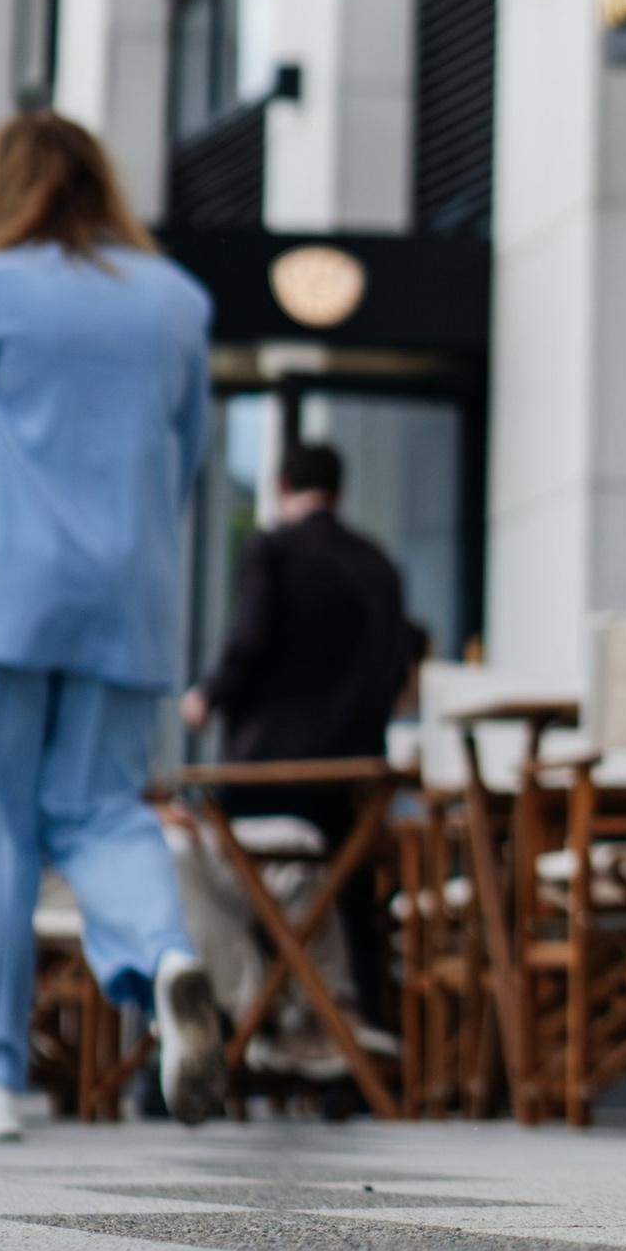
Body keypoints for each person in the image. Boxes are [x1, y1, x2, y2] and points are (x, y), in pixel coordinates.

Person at [0, 109, 227, 1146]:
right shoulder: (177, 302)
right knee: (99, 810)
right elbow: (185, 465)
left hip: (6, 591)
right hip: (128, 593)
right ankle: (164, 954)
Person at [170, 435, 413, 1061]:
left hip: (271, 774)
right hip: (356, 776)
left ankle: (260, 1025)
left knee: (220, 873)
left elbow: (249, 641)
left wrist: (207, 697)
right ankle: (343, 1031)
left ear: (281, 487)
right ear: (338, 489)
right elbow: (393, 668)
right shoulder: (379, 563)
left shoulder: (273, 551)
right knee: (345, 898)